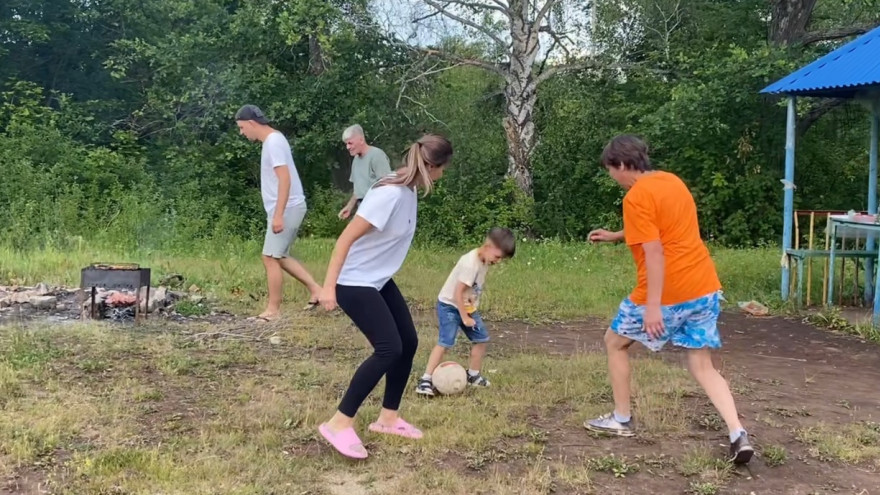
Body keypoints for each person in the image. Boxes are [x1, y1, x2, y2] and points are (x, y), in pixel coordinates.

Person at [584, 135, 753, 465]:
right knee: (702, 365)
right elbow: (665, 229)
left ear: (621, 165)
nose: (611, 176)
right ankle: (738, 433)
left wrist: (652, 306)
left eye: (610, 170)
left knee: (614, 342)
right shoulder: (671, 181)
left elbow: (655, 251)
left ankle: (621, 419)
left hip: (667, 292)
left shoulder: (635, 198)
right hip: (704, 286)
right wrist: (616, 235)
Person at [317, 134, 453, 459]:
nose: (444, 174)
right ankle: (338, 423)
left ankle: (388, 418)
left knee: (408, 341)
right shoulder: (390, 194)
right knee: (389, 348)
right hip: (354, 281)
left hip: (376, 279)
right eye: (444, 168)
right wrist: (327, 287)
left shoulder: (409, 191)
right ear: (433, 166)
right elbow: (344, 240)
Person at [235, 104, 322, 321]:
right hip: (286, 207)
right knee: (280, 256)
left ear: (252, 123)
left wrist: (278, 214)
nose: (241, 132)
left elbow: (285, 178)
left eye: (242, 127)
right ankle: (317, 291)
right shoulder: (275, 139)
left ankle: (273, 311)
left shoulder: (273, 143)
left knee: (269, 257)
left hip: (288, 207)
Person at [415, 228, 516, 396]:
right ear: (488, 245)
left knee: (481, 338)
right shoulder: (470, 263)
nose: (498, 261)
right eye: (498, 257)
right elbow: (457, 293)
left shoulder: (483, 259)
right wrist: (464, 317)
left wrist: (470, 308)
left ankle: (473, 375)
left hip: (467, 306)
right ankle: (425, 380)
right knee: (445, 342)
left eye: (501, 259)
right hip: (450, 306)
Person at [338, 124, 392, 220]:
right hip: (362, 208)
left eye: (350, 143)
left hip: (376, 209)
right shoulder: (356, 159)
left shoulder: (377, 155)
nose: (347, 147)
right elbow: (359, 189)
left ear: (361, 140)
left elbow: (387, 186)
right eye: (346, 144)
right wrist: (349, 207)